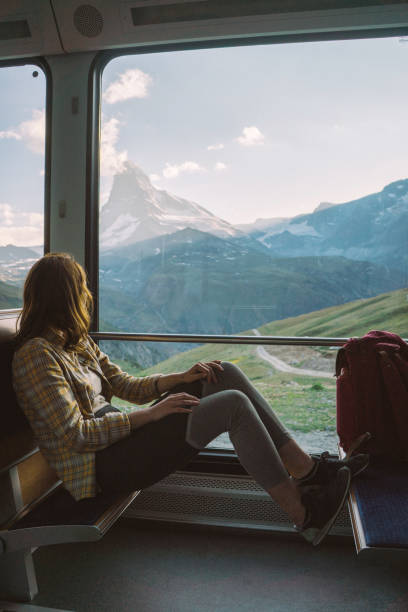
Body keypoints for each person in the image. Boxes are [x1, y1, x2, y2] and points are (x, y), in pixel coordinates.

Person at [12, 253, 368, 546]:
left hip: (122, 441)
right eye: (82, 287)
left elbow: (124, 384)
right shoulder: (36, 357)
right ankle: (304, 514)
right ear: (67, 296)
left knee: (220, 371)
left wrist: (182, 377)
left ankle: (308, 471)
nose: (87, 294)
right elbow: (76, 435)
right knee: (232, 406)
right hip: (102, 467)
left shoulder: (76, 343)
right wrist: (151, 416)